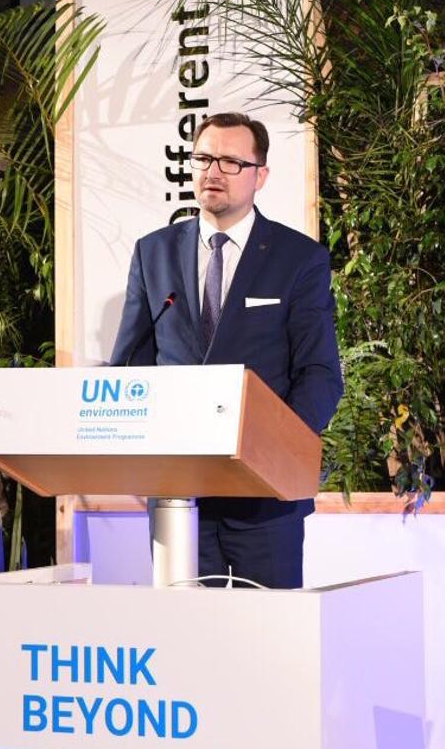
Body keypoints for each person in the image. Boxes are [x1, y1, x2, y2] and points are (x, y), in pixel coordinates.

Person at [109, 111, 344, 589]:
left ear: (261, 175)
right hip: (180, 499)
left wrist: (275, 457)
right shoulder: (152, 252)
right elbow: (130, 367)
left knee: (268, 645)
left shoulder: (298, 258)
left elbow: (319, 373)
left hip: (265, 499)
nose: (213, 171)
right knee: (187, 646)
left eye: (232, 162)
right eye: (203, 158)